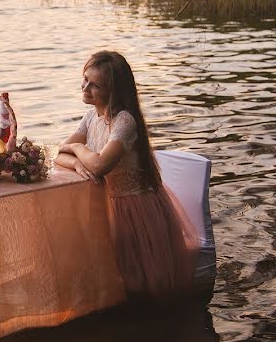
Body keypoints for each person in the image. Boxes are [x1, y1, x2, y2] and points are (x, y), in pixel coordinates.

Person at [55, 50, 199, 302]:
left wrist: (79, 150)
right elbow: (58, 154)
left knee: (138, 279)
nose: (86, 88)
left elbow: (100, 165)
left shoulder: (124, 121)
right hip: (107, 204)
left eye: (95, 85)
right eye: (85, 79)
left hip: (134, 207)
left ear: (113, 91)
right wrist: (77, 166)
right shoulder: (91, 116)